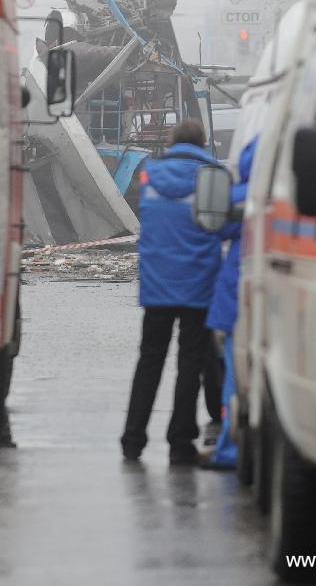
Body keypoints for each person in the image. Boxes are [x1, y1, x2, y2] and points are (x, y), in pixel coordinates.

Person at [120, 119, 239, 465]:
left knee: (149, 362)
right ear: (202, 144)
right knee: (190, 366)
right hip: (199, 288)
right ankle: (180, 443)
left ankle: (132, 440)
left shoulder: (150, 176)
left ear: (173, 142)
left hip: (157, 287)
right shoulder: (213, 177)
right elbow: (226, 226)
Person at [200, 136, 258, 470]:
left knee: (235, 380)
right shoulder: (287, 193)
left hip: (239, 294)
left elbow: (215, 226)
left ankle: (230, 450)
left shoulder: (240, 196)